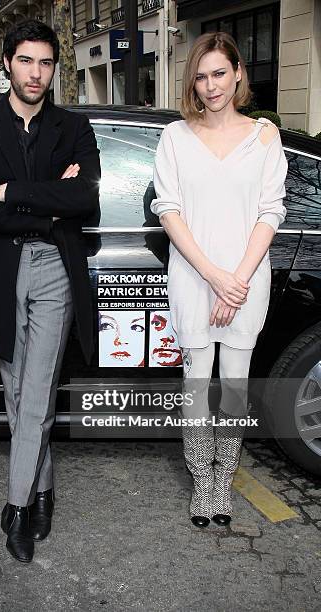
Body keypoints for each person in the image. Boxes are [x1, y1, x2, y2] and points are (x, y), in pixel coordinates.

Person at [0, 20, 100, 562]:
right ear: (7, 63)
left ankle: (14, 509)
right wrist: (48, 201)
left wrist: (11, 192)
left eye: (46, 63)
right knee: (19, 399)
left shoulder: (74, 126)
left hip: (55, 270)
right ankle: (43, 489)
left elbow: (85, 201)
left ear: (55, 68)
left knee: (34, 392)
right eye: (27, 61)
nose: (37, 73)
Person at [151, 31, 287, 528]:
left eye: (219, 74)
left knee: (232, 386)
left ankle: (223, 481)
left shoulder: (263, 136)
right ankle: (201, 483)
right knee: (194, 382)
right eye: (201, 76)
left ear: (237, 75)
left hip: (247, 280)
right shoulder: (175, 137)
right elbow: (168, 209)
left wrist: (237, 281)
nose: (211, 86)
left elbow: (270, 213)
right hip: (193, 276)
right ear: (193, 81)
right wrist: (213, 277)